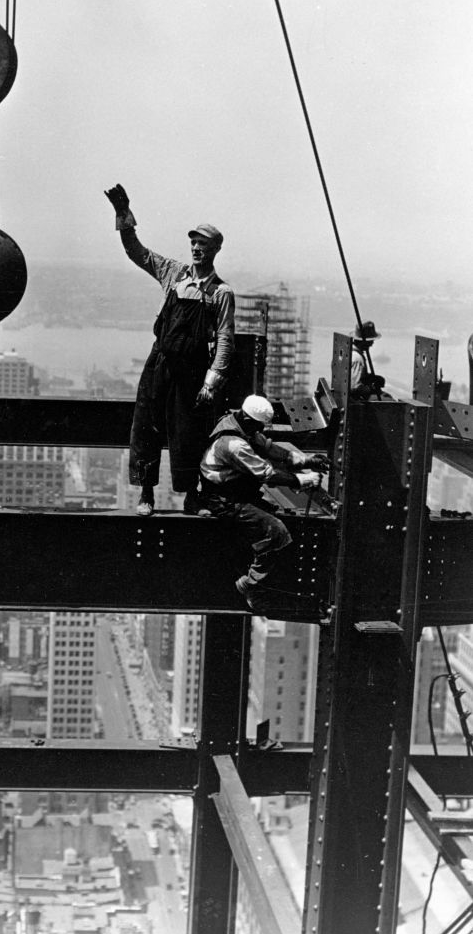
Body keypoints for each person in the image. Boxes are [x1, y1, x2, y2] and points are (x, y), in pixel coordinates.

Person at [104, 183, 235, 517]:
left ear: (215, 249)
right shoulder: (174, 274)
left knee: (189, 433)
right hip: (160, 362)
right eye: (193, 242)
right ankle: (146, 494)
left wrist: (211, 381)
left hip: (192, 370)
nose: (195, 248)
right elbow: (137, 252)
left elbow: (224, 338)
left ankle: (192, 497)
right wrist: (123, 215)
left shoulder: (221, 293)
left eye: (202, 244)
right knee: (147, 424)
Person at [198, 394, 328, 614]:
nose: (261, 430)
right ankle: (251, 585)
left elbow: (270, 449)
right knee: (277, 531)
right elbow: (266, 473)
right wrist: (303, 480)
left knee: (270, 517)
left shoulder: (236, 424)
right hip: (224, 501)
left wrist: (306, 460)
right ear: (249, 420)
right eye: (259, 426)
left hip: (232, 493)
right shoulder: (234, 444)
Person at [350, 320, 386, 399]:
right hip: (356, 399)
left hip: (355, 395)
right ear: (363, 341)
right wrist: (371, 388)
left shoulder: (351, 353)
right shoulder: (357, 359)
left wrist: (372, 378)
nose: (372, 344)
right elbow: (355, 387)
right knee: (389, 401)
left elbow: (358, 377)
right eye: (371, 341)